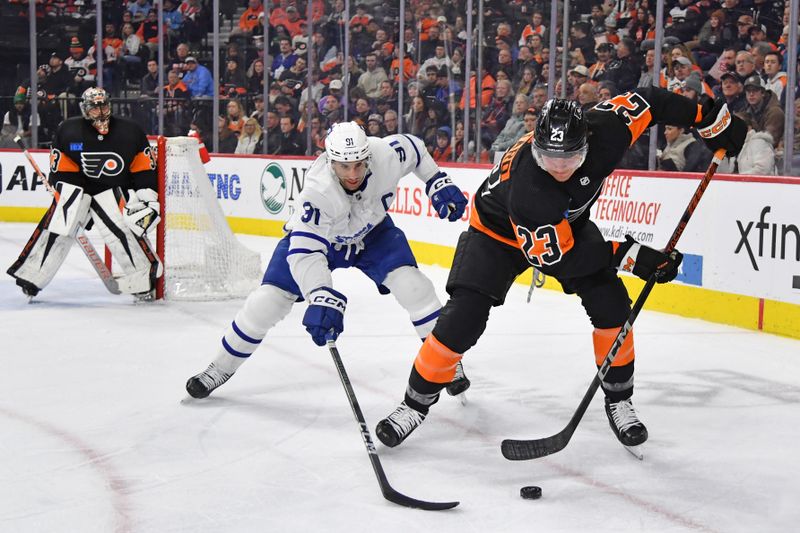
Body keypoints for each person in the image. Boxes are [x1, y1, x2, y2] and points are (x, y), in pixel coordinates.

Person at [374, 87, 747, 450]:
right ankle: (414, 404)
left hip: (567, 225)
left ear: (586, 143)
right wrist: (630, 255)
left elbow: (652, 101)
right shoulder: (531, 188)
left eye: (568, 159)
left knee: (612, 305)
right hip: (496, 232)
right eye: (549, 158)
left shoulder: (608, 129)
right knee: (464, 319)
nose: (558, 168)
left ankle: (619, 399)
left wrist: (705, 118)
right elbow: (556, 258)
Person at [185, 122, 471, 399]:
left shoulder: (384, 154)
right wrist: (319, 294)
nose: (353, 173)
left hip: (373, 234)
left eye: (359, 163)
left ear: (367, 156)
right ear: (330, 160)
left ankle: (446, 363)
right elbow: (306, 252)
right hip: (324, 243)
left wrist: (435, 179)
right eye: (344, 166)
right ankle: (218, 369)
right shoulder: (318, 191)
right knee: (267, 302)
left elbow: (415, 147)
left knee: (415, 288)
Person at [7, 87, 162, 298]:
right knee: (59, 226)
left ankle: (144, 280)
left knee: (124, 228)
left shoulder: (130, 131)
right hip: (79, 189)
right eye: (94, 108)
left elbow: (144, 168)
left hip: (115, 191)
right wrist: (66, 192)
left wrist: (148, 200)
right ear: (84, 108)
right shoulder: (68, 130)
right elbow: (61, 167)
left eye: (103, 105)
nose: (100, 111)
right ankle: (32, 277)